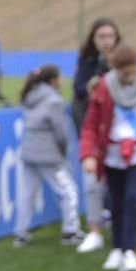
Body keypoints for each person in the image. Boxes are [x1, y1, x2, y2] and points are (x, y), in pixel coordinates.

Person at [79, 43, 136, 271]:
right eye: (123, 72)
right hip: (113, 155)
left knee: (133, 198)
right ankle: (117, 247)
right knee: (115, 201)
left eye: (131, 71)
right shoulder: (105, 88)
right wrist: (87, 154)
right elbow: (90, 124)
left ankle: (129, 251)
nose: (128, 77)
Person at [13, 65, 83, 247]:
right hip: (48, 155)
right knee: (68, 191)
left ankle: (21, 232)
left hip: (29, 151)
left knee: (28, 193)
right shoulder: (54, 100)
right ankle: (70, 231)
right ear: (53, 80)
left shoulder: (30, 97)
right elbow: (60, 132)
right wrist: (63, 150)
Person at [73, 18, 121, 253]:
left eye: (110, 36)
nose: (106, 41)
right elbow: (79, 89)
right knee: (91, 181)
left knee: (119, 182)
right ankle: (95, 230)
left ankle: (121, 225)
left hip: (120, 133)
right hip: (93, 128)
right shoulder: (87, 61)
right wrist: (96, 84)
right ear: (94, 38)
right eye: (101, 36)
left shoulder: (123, 61)